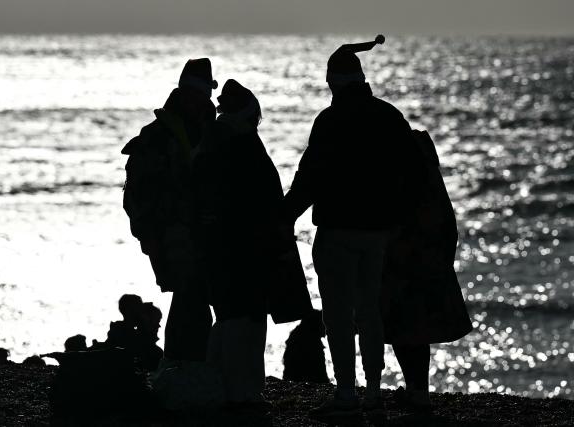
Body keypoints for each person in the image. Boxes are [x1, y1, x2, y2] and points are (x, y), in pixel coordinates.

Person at [282, 34, 420, 415]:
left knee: (338, 314)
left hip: (337, 231)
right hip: (378, 233)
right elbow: (410, 175)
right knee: (370, 310)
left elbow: (309, 178)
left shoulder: (328, 121)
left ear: (332, 83)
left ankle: (346, 393)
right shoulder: (390, 116)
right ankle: (374, 390)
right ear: (360, 79)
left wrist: (282, 216)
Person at [193, 79, 309, 407]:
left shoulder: (211, 141)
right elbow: (259, 202)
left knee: (228, 316)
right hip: (246, 249)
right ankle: (243, 391)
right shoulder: (241, 145)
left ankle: (221, 384)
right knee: (247, 318)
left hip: (218, 248)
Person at [122, 59, 217, 362]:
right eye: (196, 96)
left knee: (195, 301)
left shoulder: (210, 131)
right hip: (172, 232)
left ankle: (188, 370)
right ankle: (182, 370)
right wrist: (147, 234)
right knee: (191, 299)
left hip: (203, 232)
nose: (200, 102)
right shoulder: (157, 136)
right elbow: (135, 192)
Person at [382, 129, 472, 410]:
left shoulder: (402, 174)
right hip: (426, 254)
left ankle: (415, 392)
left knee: (403, 329)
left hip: (405, 256)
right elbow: (447, 221)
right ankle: (417, 392)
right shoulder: (427, 174)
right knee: (413, 331)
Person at [282, 309, 329, 384]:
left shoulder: (296, 336)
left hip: (293, 380)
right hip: (306, 381)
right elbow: (321, 374)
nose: (326, 330)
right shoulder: (313, 344)